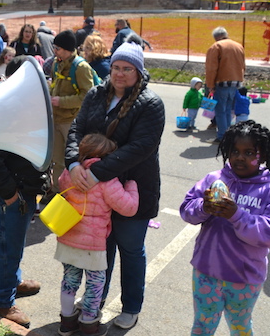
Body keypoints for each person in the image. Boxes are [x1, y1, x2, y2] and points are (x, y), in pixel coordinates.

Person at [65, 42, 165, 330]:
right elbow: (76, 130)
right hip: (96, 194)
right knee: (101, 250)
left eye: (127, 69)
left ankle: (131, 306)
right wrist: (73, 164)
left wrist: (96, 174)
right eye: (116, 67)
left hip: (133, 189)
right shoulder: (97, 94)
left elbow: (141, 147)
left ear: (138, 72)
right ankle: (96, 299)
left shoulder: (150, 103)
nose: (119, 74)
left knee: (131, 249)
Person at [179, 120, 270, 336]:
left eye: (249, 152)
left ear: (264, 155)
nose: (240, 157)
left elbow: (269, 233)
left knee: (240, 327)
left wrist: (236, 215)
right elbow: (186, 210)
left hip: (245, 278)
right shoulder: (214, 179)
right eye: (235, 151)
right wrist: (204, 207)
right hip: (206, 273)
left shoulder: (269, 189)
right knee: (202, 325)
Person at [0, 56, 47, 329]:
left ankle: (12, 283)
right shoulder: (2, 108)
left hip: (12, 192)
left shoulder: (12, 102)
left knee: (11, 244)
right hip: (4, 195)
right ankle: (3, 302)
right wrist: (12, 197)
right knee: (5, 247)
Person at [56, 133, 139, 336]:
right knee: (95, 283)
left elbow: (59, 182)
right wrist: (132, 186)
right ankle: (89, 323)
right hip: (93, 244)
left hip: (67, 238)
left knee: (69, 280)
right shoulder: (106, 180)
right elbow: (128, 208)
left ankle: (67, 321)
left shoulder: (70, 173)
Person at [46, 30, 95, 205]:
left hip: (71, 121)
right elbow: (55, 84)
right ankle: (58, 192)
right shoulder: (56, 63)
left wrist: (62, 101)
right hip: (56, 118)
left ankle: (74, 195)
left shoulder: (81, 67)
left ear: (67, 49)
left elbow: (87, 96)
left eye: (57, 48)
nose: (55, 51)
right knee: (57, 160)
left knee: (74, 161)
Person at [205, 26, 246, 143]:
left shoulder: (216, 47)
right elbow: (243, 65)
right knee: (228, 110)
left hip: (222, 82)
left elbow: (211, 68)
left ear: (216, 37)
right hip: (235, 82)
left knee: (220, 111)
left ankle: (222, 136)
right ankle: (229, 135)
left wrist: (210, 84)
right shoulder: (238, 46)